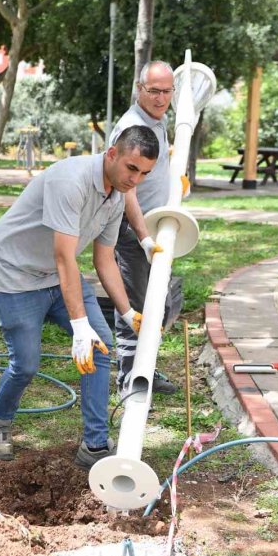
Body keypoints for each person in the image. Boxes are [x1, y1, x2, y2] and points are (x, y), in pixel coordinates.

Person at [0, 125, 159, 469]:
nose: (135, 180)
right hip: (15, 275)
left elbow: (103, 258)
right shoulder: (70, 181)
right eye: (131, 168)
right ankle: (0, 422)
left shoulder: (117, 195)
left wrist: (126, 313)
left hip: (56, 275)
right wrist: (80, 327)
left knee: (101, 346)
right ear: (112, 154)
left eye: (144, 173)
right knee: (26, 364)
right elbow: (64, 256)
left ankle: (93, 445)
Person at [108, 60, 185, 398]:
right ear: (139, 89)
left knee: (161, 303)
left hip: (157, 226)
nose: (160, 97)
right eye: (153, 90)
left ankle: (145, 364)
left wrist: (175, 184)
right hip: (132, 229)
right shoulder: (132, 128)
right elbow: (128, 190)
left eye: (167, 91)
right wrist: (143, 237)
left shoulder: (158, 121)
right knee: (134, 304)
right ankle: (129, 378)